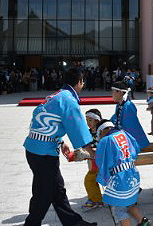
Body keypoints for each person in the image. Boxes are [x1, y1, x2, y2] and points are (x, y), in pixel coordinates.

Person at [22, 68, 97, 226]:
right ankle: (31, 223)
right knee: (44, 194)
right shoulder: (69, 100)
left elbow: (44, 121)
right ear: (79, 82)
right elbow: (78, 127)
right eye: (82, 82)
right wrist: (91, 151)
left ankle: (74, 223)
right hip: (43, 153)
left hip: (35, 148)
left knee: (57, 190)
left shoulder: (56, 96)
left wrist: (60, 142)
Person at [95, 120, 151, 226]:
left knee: (118, 210)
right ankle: (143, 222)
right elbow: (136, 149)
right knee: (128, 203)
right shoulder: (124, 134)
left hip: (119, 179)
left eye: (99, 135)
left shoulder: (106, 140)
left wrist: (103, 178)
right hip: (132, 174)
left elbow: (101, 161)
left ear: (102, 131)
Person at [110, 82, 150, 150]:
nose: (111, 95)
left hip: (133, 142)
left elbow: (129, 127)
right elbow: (114, 119)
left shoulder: (128, 106)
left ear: (120, 92)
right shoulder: (119, 105)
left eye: (113, 92)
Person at [82, 109, 104, 211]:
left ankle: (96, 200)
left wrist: (93, 151)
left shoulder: (103, 131)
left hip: (104, 162)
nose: (88, 123)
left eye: (90, 120)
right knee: (90, 180)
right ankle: (96, 199)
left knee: (90, 180)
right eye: (86, 120)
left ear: (97, 120)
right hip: (93, 162)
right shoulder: (88, 133)